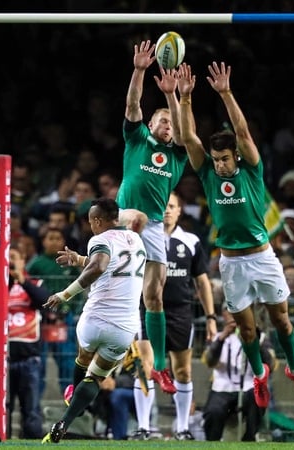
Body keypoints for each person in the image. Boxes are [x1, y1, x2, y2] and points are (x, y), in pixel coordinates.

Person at [176, 61, 294, 410]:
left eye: (225, 158)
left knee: (282, 319)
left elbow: (242, 131)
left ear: (235, 155)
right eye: (217, 159)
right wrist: (185, 98)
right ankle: (259, 376)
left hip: (263, 257)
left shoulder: (251, 170)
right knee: (248, 330)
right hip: (232, 262)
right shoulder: (208, 172)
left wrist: (225, 93)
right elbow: (189, 138)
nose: (220, 164)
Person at [114, 39, 190, 392]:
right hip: (124, 218)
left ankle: (159, 366)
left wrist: (173, 97)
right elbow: (132, 103)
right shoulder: (138, 139)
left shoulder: (177, 156)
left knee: (154, 296)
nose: (168, 126)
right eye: (162, 120)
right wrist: (139, 70)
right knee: (113, 286)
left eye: (171, 123)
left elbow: (183, 127)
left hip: (155, 226)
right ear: (152, 124)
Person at [41, 197, 147, 443]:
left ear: (98, 221)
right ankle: (65, 422)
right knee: (96, 377)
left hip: (96, 317)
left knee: (83, 358)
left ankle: (72, 393)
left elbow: (99, 266)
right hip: (125, 327)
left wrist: (63, 294)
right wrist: (79, 260)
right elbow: (111, 265)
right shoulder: (136, 239)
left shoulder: (100, 239)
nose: (90, 226)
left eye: (91, 222)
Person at [130, 191, 217, 440]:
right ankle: (144, 428)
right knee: (144, 368)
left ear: (180, 211)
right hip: (147, 309)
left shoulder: (191, 242)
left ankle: (182, 428)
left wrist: (211, 317)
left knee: (183, 372)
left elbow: (202, 282)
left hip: (180, 313)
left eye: (172, 206)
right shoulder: (141, 238)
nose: (167, 210)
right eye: (163, 206)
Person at [201, 305, 273, 441]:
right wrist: (222, 337)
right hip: (222, 387)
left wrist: (254, 337)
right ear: (224, 314)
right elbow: (209, 361)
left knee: (257, 399)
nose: (234, 315)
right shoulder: (215, 335)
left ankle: (250, 438)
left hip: (249, 385)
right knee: (213, 411)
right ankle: (212, 441)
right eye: (230, 311)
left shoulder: (260, 337)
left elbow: (270, 364)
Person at [6, 242, 50, 439]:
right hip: (4, 359)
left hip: (29, 358)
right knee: (3, 409)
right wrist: (8, 280)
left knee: (30, 410)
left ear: (23, 260)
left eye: (14, 257)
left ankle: (31, 441)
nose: (10, 262)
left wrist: (22, 281)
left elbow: (45, 302)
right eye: (7, 258)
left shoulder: (35, 284)